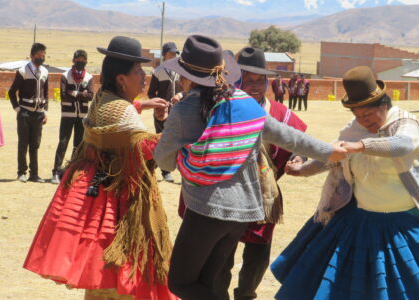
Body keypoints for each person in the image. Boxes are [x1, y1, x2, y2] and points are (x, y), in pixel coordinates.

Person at [153, 34, 347, 300]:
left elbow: (163, 161)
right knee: (206, 282)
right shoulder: (244, 104)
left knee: (181, 284)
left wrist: (189, 155)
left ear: (187, 77)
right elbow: (288, 136)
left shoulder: (185, 110)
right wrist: (329, 151)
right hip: (243, 211)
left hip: (206, 210)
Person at [23, 36, 177, 300]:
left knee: (99, 270)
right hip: (116, 199)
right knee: (120, 267)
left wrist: (143, 104)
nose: (144, 77)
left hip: (95, 192)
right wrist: (177, 129)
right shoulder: (123, 112)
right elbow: (144, 148)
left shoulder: (101, 99)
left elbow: (115, 119)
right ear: (121, 79)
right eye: (138, 71)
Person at [271, 66, 419, 300]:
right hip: (358, 221)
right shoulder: (354, 131)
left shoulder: (405, 123)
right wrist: (302, 171)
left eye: (368, 115)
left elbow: (401, 145)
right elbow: (333, 156)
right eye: (357, 116)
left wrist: (361, 146)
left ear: (383, 105)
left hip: (401, 223)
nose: (363, 121)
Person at [213, 47, 308, 300]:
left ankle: (246, 294)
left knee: (257, 257)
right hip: (228, 197)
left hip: (263, 198)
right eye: (248, 81)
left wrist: (300, 157)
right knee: (222, 255)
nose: (255, 87)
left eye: (260, 81)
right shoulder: (223, 110)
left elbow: (302, 144)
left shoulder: (281, 115)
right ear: (236, 81)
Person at [51, 49, 94, 184]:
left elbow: (91, 96)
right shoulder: (65, 76)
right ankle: (56, 172)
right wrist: (83, 93)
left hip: (82, 115)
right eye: (78, 59)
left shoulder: (89, 77)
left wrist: (75, 93)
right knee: (63, 142)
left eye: (83, 60)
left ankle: (72, 171)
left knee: (78, 144)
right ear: (74, 60)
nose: (80, 62)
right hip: (67, 114)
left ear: (86, 61)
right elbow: (63, 94)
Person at [9, 43, 48, 183]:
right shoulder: (23, 71)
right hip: (25, 113)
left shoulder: (45, 72)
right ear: (32, 56)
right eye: (39, 56)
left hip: (38, 114)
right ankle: (21, 172)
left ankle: (34, 174)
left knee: (35, 144)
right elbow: (11, 92)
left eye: (43, 56)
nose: (41, 58)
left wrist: (45, 111)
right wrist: (18, 109)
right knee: (23, 143)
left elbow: (46, 93)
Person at [147, 42, 182, 183]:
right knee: (162, 141)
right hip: (162, 113)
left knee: (178, 140)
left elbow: (185, 89)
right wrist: (159, 103)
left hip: (178, 112)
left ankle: (179, 168)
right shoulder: (158, 71)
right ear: (164, 55)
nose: (174, 56)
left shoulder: (180, 71)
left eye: (175, 54)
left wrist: (180, 97)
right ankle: (165, 172)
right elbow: (150, 93)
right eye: (171, 53)